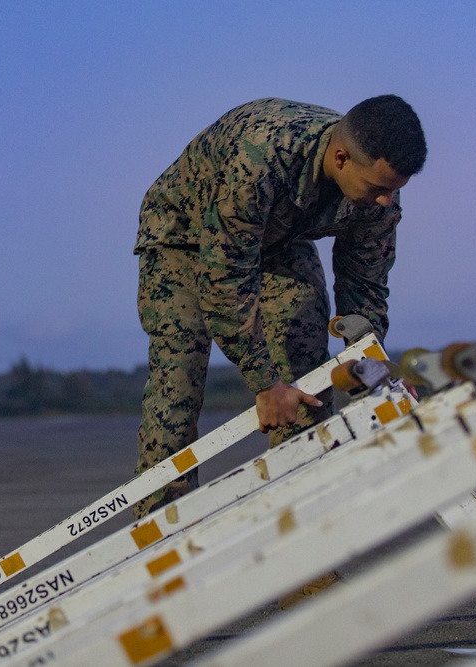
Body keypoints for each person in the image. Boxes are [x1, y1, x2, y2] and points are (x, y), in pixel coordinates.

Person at [133, 95, 427, 519]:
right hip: (185, 239)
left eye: (393, 191)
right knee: (178, 380)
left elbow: (365, 284)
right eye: (377, 189)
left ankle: (301, 526)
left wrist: (367, 368)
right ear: (341, 158)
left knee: (309, 371)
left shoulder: (380, 196)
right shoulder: (260, 159)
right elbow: (225, 282)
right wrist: (265, 384)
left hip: (276, 240)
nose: (385, 202)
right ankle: (160, 535)